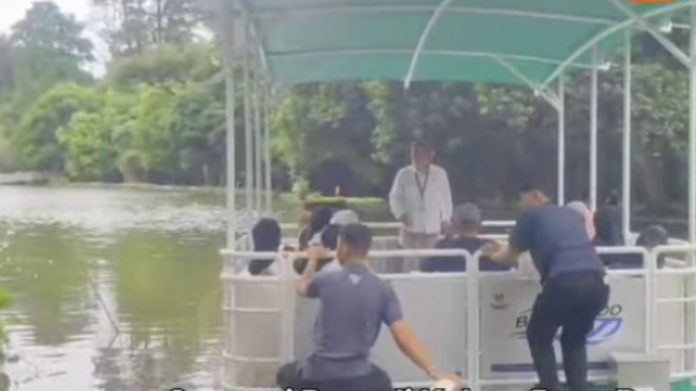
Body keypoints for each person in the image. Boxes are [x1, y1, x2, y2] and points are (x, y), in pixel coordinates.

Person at [277, 223, 461, 391]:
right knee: (382, 382)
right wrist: (434, 371)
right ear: (367, 249)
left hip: (318, 373)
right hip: (358, 375)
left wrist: (312, 259)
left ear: (344, 247)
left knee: (285, 374)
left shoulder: (326, 279)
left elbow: (301, 287)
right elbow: (402, 337)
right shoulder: (382, 288)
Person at [482, 184, 610, 391]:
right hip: (597, 283)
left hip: (563, 283)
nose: (520, 204)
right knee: (574, 339)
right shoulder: (571, 214)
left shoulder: (530, 217)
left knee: (538, 336)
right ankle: (579, 387)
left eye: (522, 198)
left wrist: (491, 253)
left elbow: (509, 256)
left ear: (536, 195)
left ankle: (550, 386)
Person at [389, 140, 453, 270]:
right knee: (409, 263)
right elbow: (394, 197)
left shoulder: (440, 174)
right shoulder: (403, 174)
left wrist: (446, 218)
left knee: (429, 263)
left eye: (420, 154)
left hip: (432, 226)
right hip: (410, 227)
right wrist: (400, 214)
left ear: (430, 155)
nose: (417, 157)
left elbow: (446, 199)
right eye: (414, 154)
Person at [421, 203, 510, 272]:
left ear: (455, 225)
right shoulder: (490, 248)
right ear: (479, 225)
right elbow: (506, 266)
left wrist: (445, 239)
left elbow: (424, 267)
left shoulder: (445, 249)